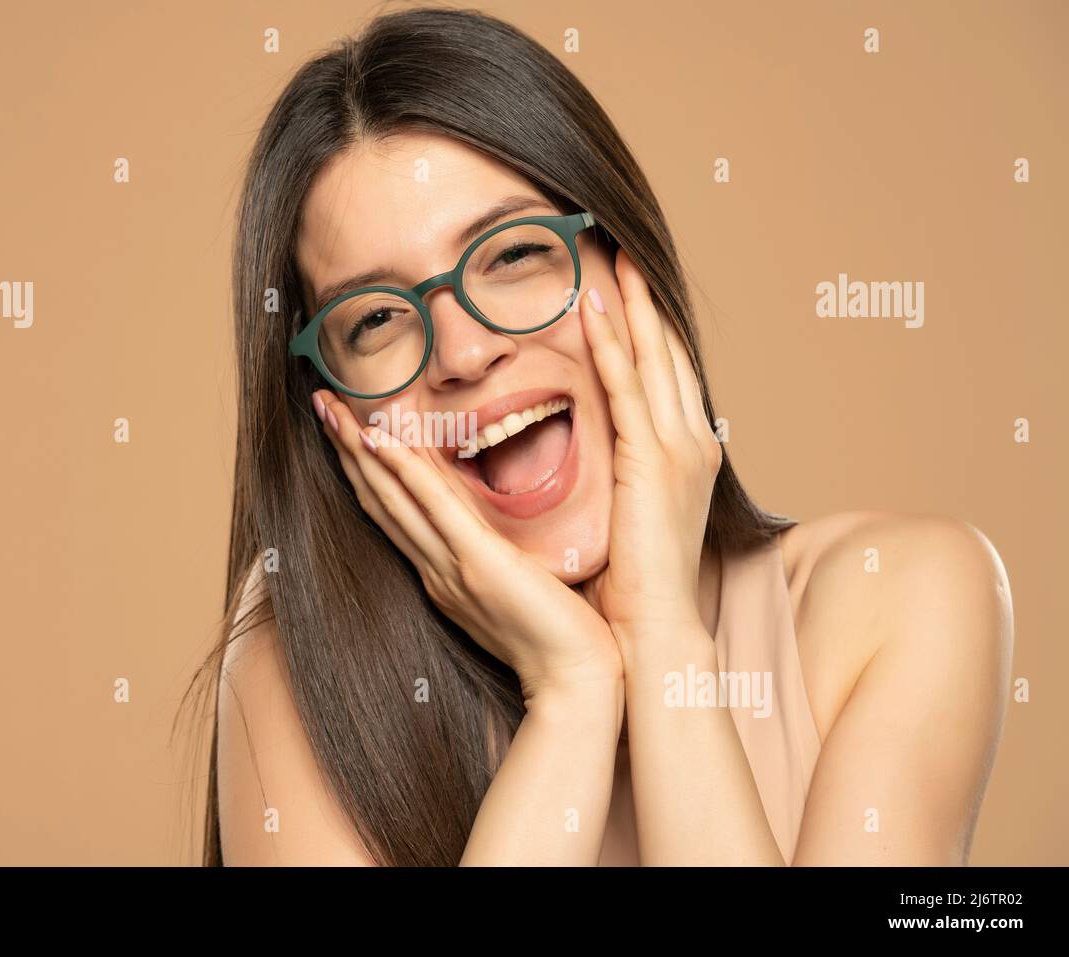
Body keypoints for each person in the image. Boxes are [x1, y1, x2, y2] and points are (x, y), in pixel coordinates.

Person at [189, 6, 1013, 866]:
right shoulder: (302, 659)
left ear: (630, 270)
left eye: (512, 255)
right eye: (379, 318)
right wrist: (573, 694)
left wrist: (661, 637)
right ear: (337, 409)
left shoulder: (904, 596)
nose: (465, 352)